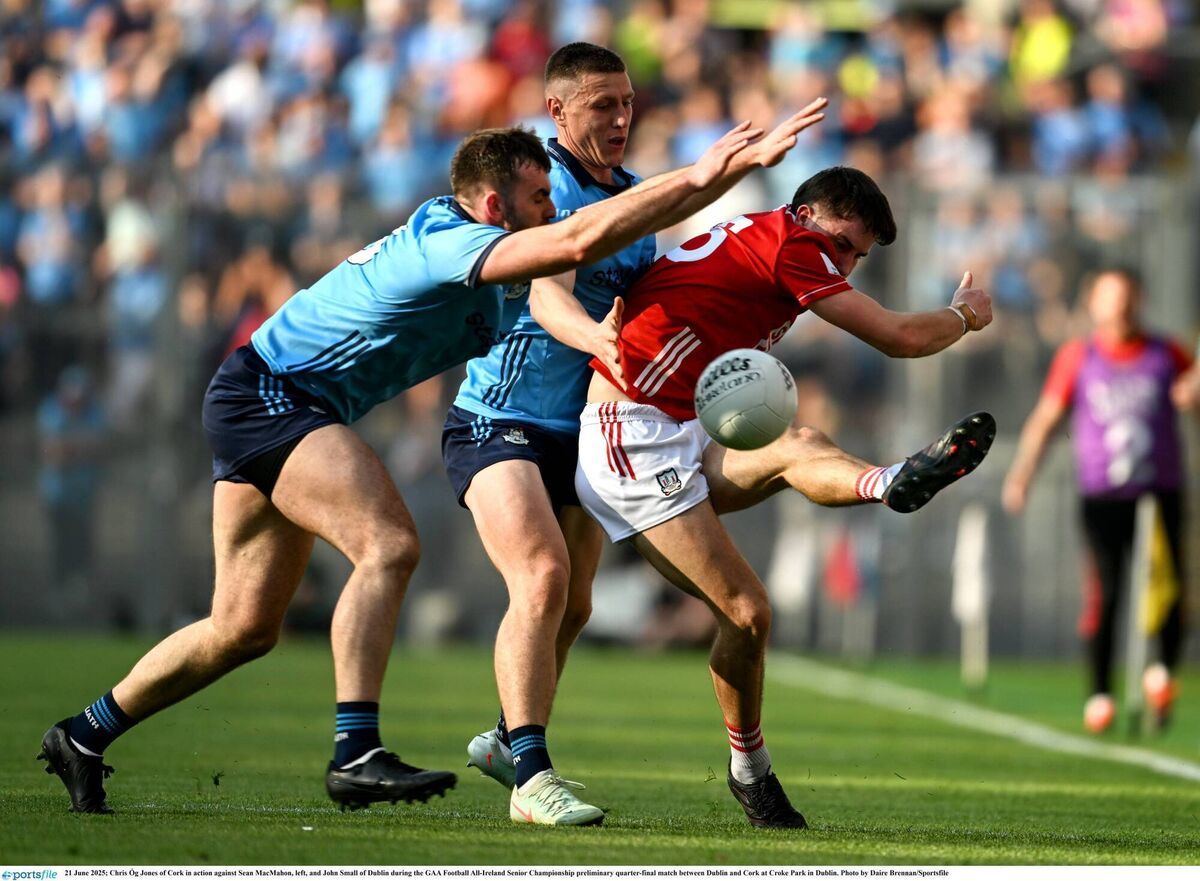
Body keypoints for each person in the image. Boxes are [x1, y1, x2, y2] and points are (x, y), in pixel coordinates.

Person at [36, 110, 829, 815]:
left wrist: (709, 184)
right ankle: (355, 753)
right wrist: (701, 172)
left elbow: (591, 245)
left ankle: (83, 732)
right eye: (537, 201)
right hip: (273, 395)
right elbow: (582, 239)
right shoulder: (453, 244)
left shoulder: (493, 250)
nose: (551, 210)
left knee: (241, 626)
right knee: (389, 544)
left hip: (280, 400)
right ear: (494, 207)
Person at [572, 166, 996, 828]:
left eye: (858, 255)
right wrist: (964, 315)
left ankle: (889, 480)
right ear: (811, 213)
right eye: (848, 244)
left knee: (797, 441)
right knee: (746, 611)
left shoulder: (767, 233)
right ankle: (751, 773)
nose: (848, 263)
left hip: (678, 424)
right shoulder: (796, 243)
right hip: (630, 434)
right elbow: (900, 337)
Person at [443, 42, 650, 827]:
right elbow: (549, 297)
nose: (622, 117)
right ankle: (532, 774)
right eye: (604, 104)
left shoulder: (631, 202)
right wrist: (599, 340)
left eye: (627, 102)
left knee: (575, 602)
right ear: (557, 111)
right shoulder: (545, 189)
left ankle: (505, 738)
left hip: (585, 429)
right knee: (541, 574)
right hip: (500, 417)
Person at [1002, 268, 1196, 733]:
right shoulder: (1079, 357)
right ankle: (1100, 692)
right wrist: (1023, 473)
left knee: (1169, 588)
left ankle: (1163, 674)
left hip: (1161, 491)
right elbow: (1047, 417)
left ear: (1140, 299)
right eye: (1111, 297)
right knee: (1107, 591)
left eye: (1128, 296)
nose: (1121, 307)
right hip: (1103, 495)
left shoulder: (1166, 354)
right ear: (1093, 304)